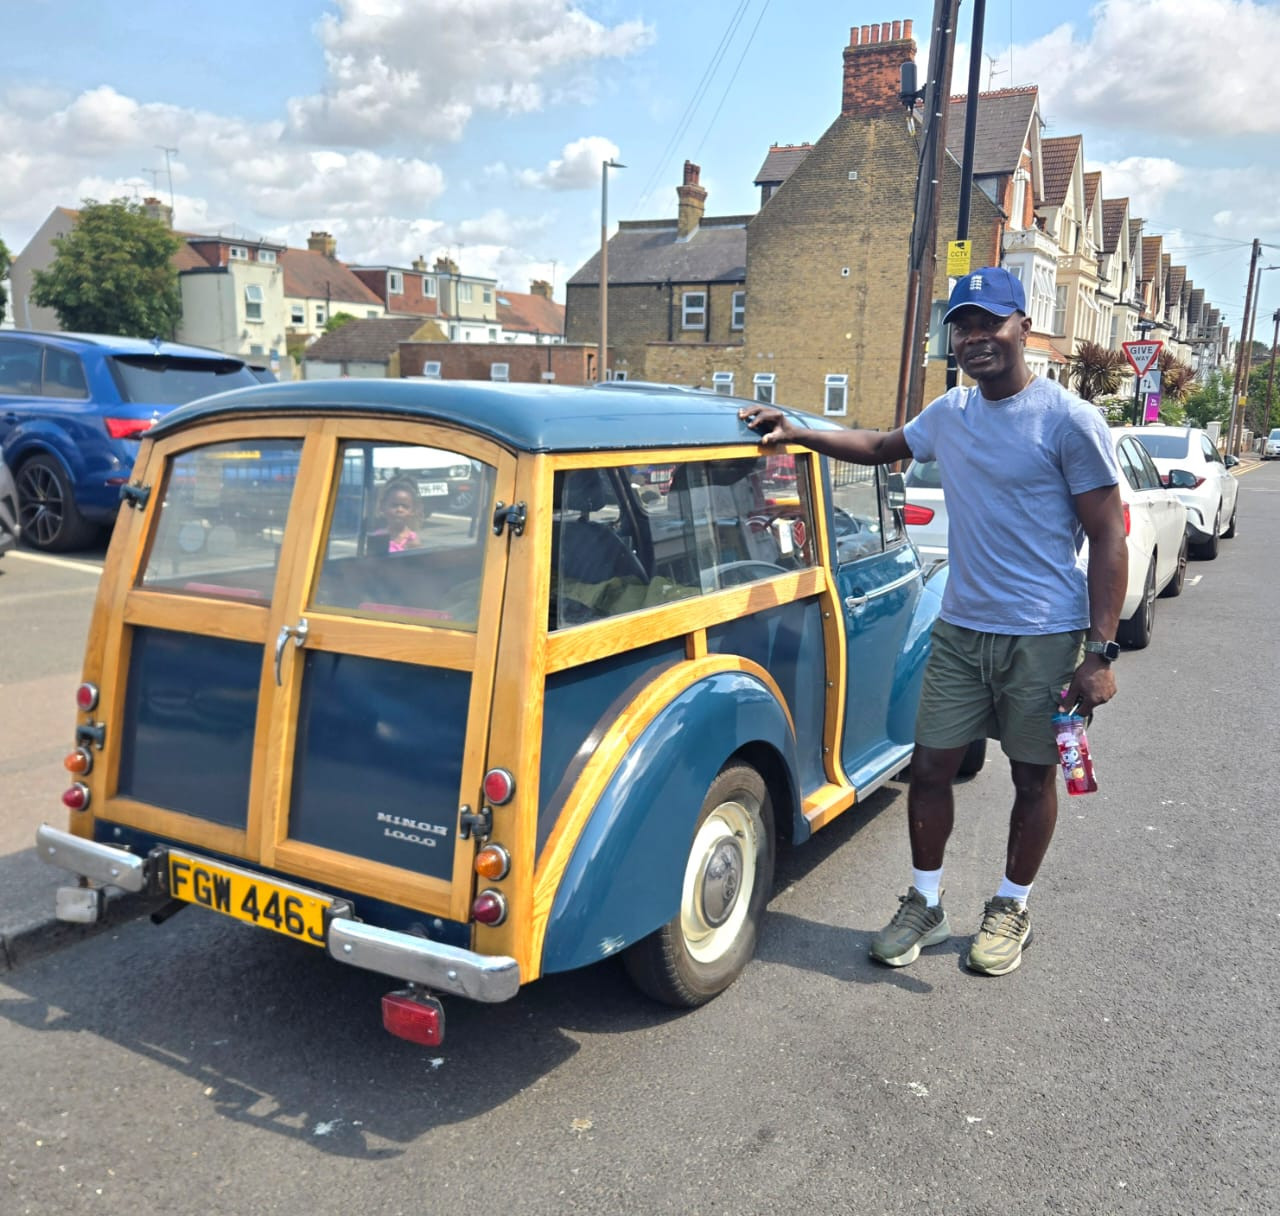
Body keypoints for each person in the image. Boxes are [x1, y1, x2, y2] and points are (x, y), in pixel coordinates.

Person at [739, 266, 1127, 976]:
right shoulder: (951, 413)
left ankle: (1011, 906)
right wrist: (800, 432)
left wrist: (1099, 652)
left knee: (1034, 776)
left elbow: (1108, 535)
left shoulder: (1069, 420)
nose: (976, 337)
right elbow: (881, 447)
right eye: (963, 326)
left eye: (990, 322)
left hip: (1044, 634)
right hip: (960, 627)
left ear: (1022, 327)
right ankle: (924, 901)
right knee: (928, 768)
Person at [374, 476, 422, 552]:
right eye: (394, 505)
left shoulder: (412, 541)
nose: (399, 510)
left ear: (413, 511)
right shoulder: (378, 537)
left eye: (405, 506)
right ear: (383, 507)